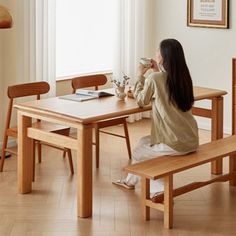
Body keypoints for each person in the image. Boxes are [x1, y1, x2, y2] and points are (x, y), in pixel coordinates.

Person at [112, 38, 199, 196]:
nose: (155, 53)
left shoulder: (154, 78)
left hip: (174, 143)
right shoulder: (183, 78)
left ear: (163, 57)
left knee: (139, 153)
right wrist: (157, 69)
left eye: (158, 51)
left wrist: (140, 75)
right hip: (191, 139)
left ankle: (159, 190)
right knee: (144, 142)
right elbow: (163, 85)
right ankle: (129, 182)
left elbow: (141, 100)